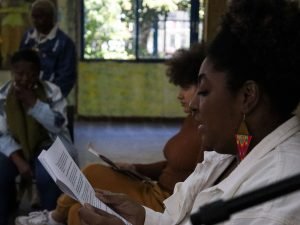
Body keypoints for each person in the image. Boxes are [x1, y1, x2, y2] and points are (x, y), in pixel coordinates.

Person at [76, 0, 300, 224]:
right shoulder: (232, 151)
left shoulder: (278, 199)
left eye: (203, 91)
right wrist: (143, 217)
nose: (193, 104)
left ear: (247, 97)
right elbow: (177, 220)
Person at [14, 43, 207, 225]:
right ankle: (54, 217)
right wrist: (135, 168)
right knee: (92, 172)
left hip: (166, 203)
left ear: (204, 87)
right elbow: (174, 165)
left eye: (186, 87)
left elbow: (199, 184)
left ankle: (54, 218)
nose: (179, 95)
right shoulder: (193, 117)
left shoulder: (209, 131)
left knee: (78, 211)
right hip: (153, 188)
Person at [0, 49, 73, 225]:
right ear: (12, 72)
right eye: (19, 74)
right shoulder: (3, 96)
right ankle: (4, 214)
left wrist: (33, 103)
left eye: (31, 74)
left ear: (39, 73)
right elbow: (1, 135)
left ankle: (49, 217)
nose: (25, 79)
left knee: (47, 176)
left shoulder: (51, 92)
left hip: (47, 143)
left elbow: (57, 125)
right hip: (14, 147)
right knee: (1, 172)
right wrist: (18, 160)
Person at [19, 0, 77, 97]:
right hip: (26, 96)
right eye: (33, 17)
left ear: (51, 18)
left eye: (40, 17)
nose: (36, 21)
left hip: (51, 99)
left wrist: (49, 98)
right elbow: (19, 65)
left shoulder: (64, 43)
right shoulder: (28, 38)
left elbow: (66, 77)